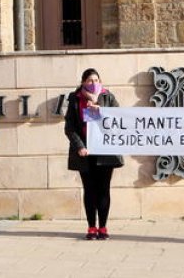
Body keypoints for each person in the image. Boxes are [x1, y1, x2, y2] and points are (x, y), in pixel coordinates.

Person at [64, 68, 124, 240]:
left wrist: (101, 110)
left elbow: (119, 120)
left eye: (96, 80)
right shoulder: (75, 99)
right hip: (85, 152)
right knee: (89, 190)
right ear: (83, 82)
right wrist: (79, 146)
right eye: (90, 80)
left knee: (103, 189)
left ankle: (103, 227)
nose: (93, 83)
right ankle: (91, 227)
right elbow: (70, 127)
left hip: (105, 151)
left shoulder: (108, 97)